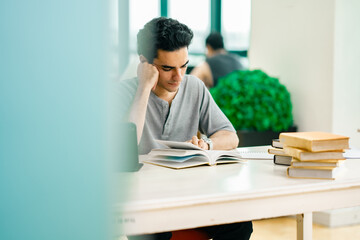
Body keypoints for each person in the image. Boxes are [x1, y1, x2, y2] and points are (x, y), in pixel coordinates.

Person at [118, 17, 252, 240]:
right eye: (168, 68)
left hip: (188, 196)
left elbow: (230, 136)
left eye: (184, 66)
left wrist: (206, 143)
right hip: (143, 202)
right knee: (150, 231)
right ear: (145, 63)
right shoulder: (124, 92)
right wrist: (144, 88)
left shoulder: (194, 87)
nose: (178, 77)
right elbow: (124, 151)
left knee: (240, 224)